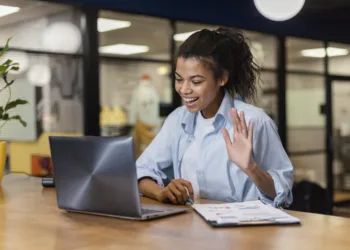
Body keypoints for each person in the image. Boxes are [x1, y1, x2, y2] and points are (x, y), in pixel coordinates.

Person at [136, 27, 293, 208]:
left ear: (222, 78)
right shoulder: (177, 120)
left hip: (244, 232)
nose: (184, 89)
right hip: (190, 227)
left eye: (196, 81)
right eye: (179, 79)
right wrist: (161, 192)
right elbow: (142, 169)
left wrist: (251, 168)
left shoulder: (254, 121)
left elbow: (283, 193)